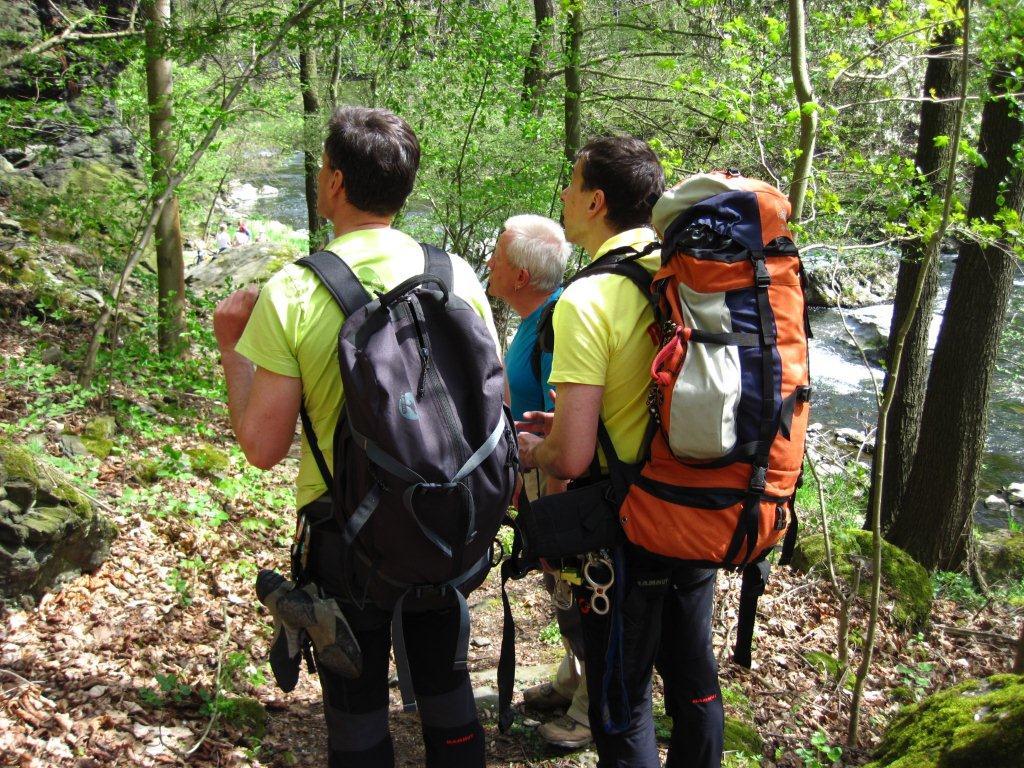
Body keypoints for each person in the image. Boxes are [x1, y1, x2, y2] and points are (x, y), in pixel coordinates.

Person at [213, 106, 500, 768]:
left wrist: (233, 347)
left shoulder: (294, 289)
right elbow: (490, 410)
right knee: (447, 692)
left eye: (321, 168)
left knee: (357, 715)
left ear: (335, 182)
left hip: (347, 539)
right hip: (443, 526)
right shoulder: (456, 275)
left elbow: (261, 447)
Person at [516, 136, 724, 767]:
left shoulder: (588, 298)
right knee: (694, 686)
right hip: (698, 507)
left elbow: (573, 458)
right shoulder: (685, 271)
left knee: (622, 705)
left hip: (629, 532)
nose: (563, 195)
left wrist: (537, 448)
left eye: (571, 184)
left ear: (596, 199)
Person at [486, 215, 590, 749]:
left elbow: (562, 421)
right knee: (561, 589)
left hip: (560, 487)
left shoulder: (556, 321)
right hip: (537, 480)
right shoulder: (537, 318)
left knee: (576, 587)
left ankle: (591, 707)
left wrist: (553, 513)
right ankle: (573, 678)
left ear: (521, 276)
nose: (489, 263)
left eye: (497, 256)